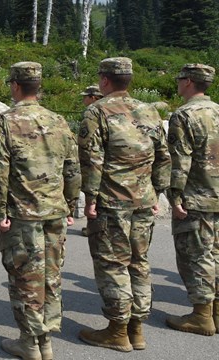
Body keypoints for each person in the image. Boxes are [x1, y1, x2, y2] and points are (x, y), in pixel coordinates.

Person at [0, 62, 81, 360]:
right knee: (51, 276)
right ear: (37, 87)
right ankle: (46, 341)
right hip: (54, 211)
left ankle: (30, 342)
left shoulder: (4, 123)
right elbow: (72, 169)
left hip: (23, 214)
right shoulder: (59, 121)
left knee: (25, 276)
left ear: (15, 86)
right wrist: (71, 204)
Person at [77, 57, 171, 352]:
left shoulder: (97, 111)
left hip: (111, 202)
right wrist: (157, 192)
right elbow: (164, 155)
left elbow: (91, 160)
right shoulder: (149, 110)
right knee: (139, 262)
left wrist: (89, 199)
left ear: (104, 80)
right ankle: (137, 329)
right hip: (143, 200)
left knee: (113, 263)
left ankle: (118, 331)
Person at [165, 63, 219, 336]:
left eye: (179, 79)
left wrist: (174, 197)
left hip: (197, 197)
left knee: (196, 257)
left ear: (188, 82)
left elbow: (179, 161)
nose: (177, 83)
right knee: (216, 255)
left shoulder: (184, 115)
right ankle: (216, 313)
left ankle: (201, 316)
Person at [79, 84, 104, 237]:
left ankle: (92, 227)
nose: (83, 100)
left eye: (85, 97)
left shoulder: (93, 113)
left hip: (95, 162)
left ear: (93, 97)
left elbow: (86, 144)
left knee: (94, 196)